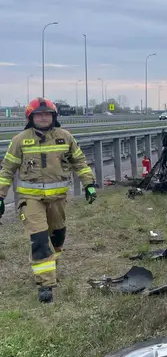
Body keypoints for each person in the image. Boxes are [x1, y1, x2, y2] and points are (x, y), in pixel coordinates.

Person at [0, 98, 98, 303]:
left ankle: (51, 266)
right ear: (31, 118)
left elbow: (79, 162)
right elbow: (7, 170)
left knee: (57, 236)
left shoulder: (65, 137)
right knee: (39, 239)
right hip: (30, 199)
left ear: (54, 117)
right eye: (39, 114)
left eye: (47, 114)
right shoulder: (20, 140)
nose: (43, 117)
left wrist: (89, 183)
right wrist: (0, 195)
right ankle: (45, 284)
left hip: (58, 199)